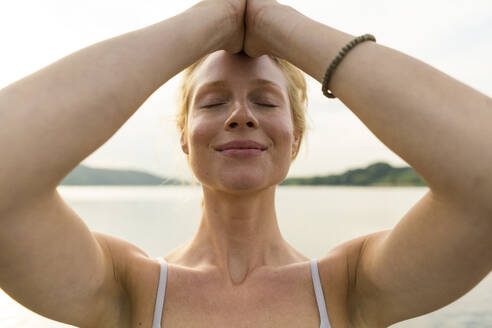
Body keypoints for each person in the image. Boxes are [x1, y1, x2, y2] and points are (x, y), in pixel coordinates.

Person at [0, 0, 491, 327]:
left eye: (266, 102)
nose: (240, 117)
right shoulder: (126, 286)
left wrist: (273, 22)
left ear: (294, 139)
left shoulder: (350, 287)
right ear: (185, 140)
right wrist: (215, 18)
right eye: (213, 103)